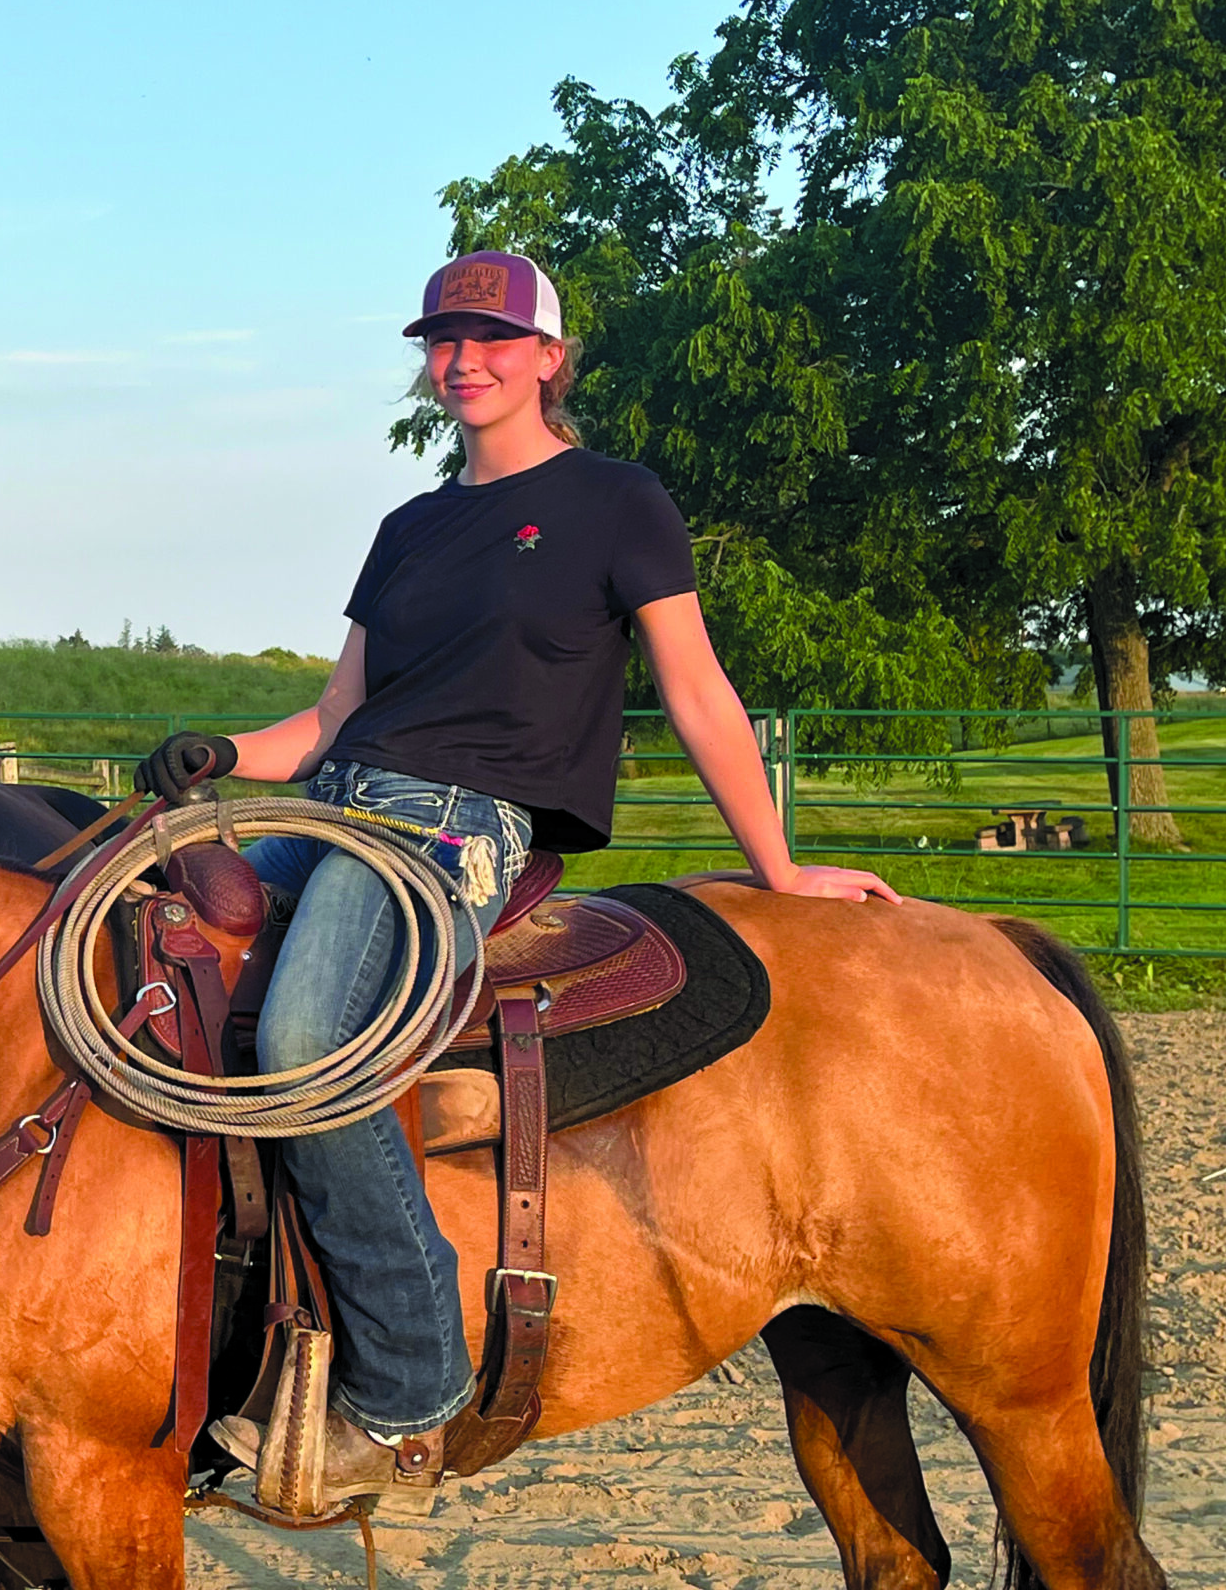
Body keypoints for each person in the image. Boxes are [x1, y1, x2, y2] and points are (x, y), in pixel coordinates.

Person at [135, 250, 899, 1502]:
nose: (462, 360)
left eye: (490, 339)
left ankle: (409, 1383)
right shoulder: (411, 527)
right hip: (337, 804)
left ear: (549, 358)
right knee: (129, 935)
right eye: (442, 340)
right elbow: (333, 716)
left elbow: (695, 692)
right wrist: (220, 760)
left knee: (306, 1042)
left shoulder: (614, 501)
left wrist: (781, 867)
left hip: (456, 829)